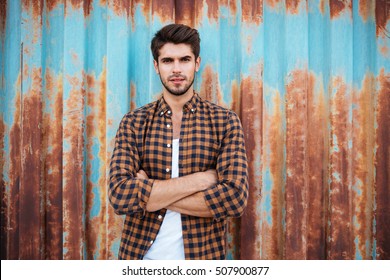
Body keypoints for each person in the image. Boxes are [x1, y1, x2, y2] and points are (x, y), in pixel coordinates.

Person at [108, 23, 249, 260]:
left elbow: (234, 200)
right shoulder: (134, 122)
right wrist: (201, 180)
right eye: (167, 61)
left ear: (197, 63)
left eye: (184, 59)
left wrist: (150, 194)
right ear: (156, 66)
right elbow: (120, 196)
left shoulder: (224, 122)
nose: (176, 69)